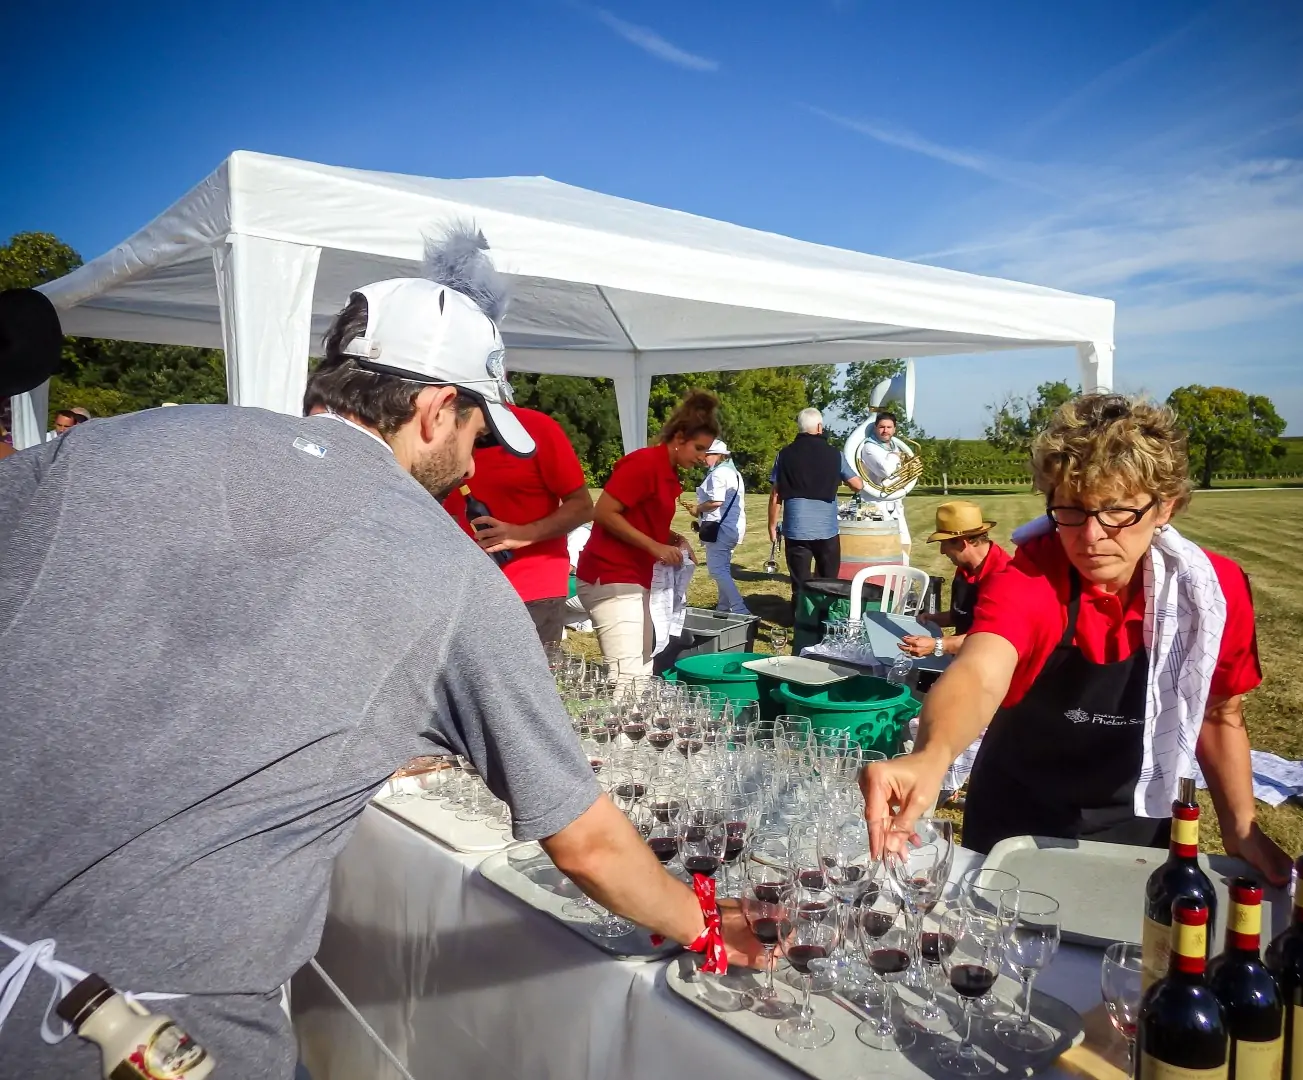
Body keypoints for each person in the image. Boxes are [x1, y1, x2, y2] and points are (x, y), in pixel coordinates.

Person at [0, 226, 758, 1079]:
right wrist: (702, 920)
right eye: (477, 431)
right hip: (155, 1034)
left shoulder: (105, 446)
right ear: (437, 409)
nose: (474, 461)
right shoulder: (453, 573)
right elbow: (584, 841)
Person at [861, 393, 1291, 886]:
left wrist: (1241, 828)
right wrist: (931, 757)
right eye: (1072, 510)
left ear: (1164, 506)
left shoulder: (1210, 593)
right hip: (1014, 823)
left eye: (1118, 512)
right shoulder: (1031, 575)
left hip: (1138, 824)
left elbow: (1219, 713)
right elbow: (980, 670)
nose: (1091, 536)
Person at [576, 392, 717, 680]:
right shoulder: (644, 464)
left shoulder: (665, 470)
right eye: (699, 449)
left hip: (635, 579)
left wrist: (673, 538)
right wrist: (655, 546)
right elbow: (603, 512)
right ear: (679, 438)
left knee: (641, 670)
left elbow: (640, 519)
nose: (703, 458)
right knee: (628, 678)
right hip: (611, 577)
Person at [438, 406, 594, 647]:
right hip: (462, 594)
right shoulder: (439, 428)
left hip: (531, 592)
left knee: (528, 683)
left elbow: (583, 506)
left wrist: (523, 534)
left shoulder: (536, 428)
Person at [768, 407, 865, 605]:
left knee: (799, 583)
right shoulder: (835, 455)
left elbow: (776, 493)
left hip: (796, 529)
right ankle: (823, 621)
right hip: (826, 530)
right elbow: (857, 485)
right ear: (820, 427)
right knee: (829, 582)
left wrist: (771, 525)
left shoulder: (784, 454)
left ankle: (800, 623)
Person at [900, 500, 1011, 660]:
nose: (942, 551)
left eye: (944, 544)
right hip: (966, 655)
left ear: (962, 543)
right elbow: (965, 614)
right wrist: (935, 618)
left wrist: (938, 645)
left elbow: (992, 637)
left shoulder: (1003, 577)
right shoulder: (966, 567)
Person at [693, 439, 751, 616]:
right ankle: (723, 608)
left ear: (717, 455)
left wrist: (698, 508)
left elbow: (716, 501)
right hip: (732, 527)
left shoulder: (719, 474)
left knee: (717, 570)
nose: (703, 458)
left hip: (721, 529)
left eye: (706, 454)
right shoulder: (733, 472)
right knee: (723, 569)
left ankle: (739, 608)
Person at [857, 410, 913, 556]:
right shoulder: (869, 448)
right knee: (883, 548)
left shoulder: (895, 446)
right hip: (876, 503)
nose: (885, 430)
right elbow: (886, 471)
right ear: (875, 428)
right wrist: (895, 456)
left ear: (894, 429)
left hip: (895, 502)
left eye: (889, 427)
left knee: (905, 543)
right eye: (882, 427)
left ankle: (904, 578)